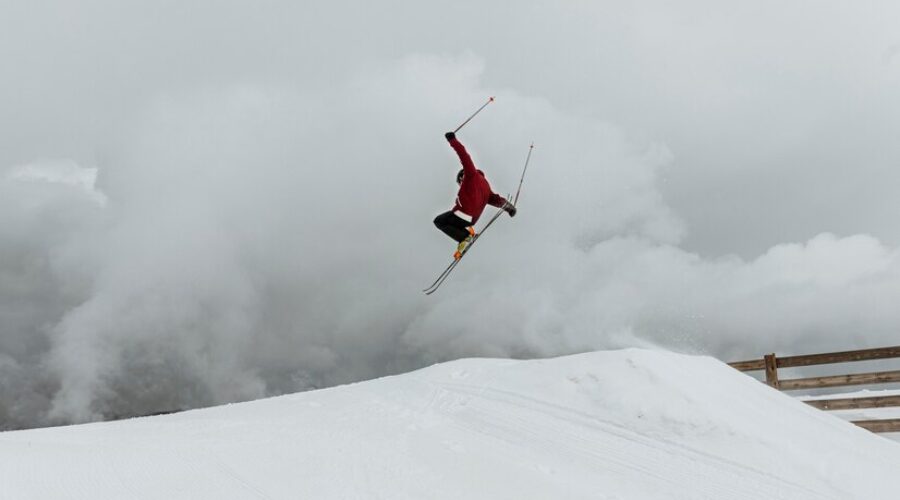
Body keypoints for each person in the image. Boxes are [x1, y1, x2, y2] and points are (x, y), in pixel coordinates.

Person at [433, 131, 517, 259]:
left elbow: (464, 156)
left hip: (464, 213)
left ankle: (465, 237)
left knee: (439, 221)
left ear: (462, 176)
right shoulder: (485, 187)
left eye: (459, 181)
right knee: (450, 220)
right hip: (471, 219)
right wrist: (509, 207)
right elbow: (495, 199)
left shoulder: (470, 175)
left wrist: (452, 140)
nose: (460, 184)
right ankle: (466, 235)